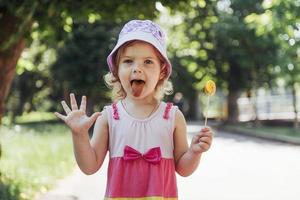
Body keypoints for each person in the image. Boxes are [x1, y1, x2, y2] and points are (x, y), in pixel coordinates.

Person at [55, 19, 213, 199]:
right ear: (116, 70)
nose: (137, 69)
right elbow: (89, 167)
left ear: (162, 71)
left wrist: (194, 152)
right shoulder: (109, 117)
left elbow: (183, 169)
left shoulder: (173, 117)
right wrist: (79, 135)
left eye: (148, 62)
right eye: (128, 61)